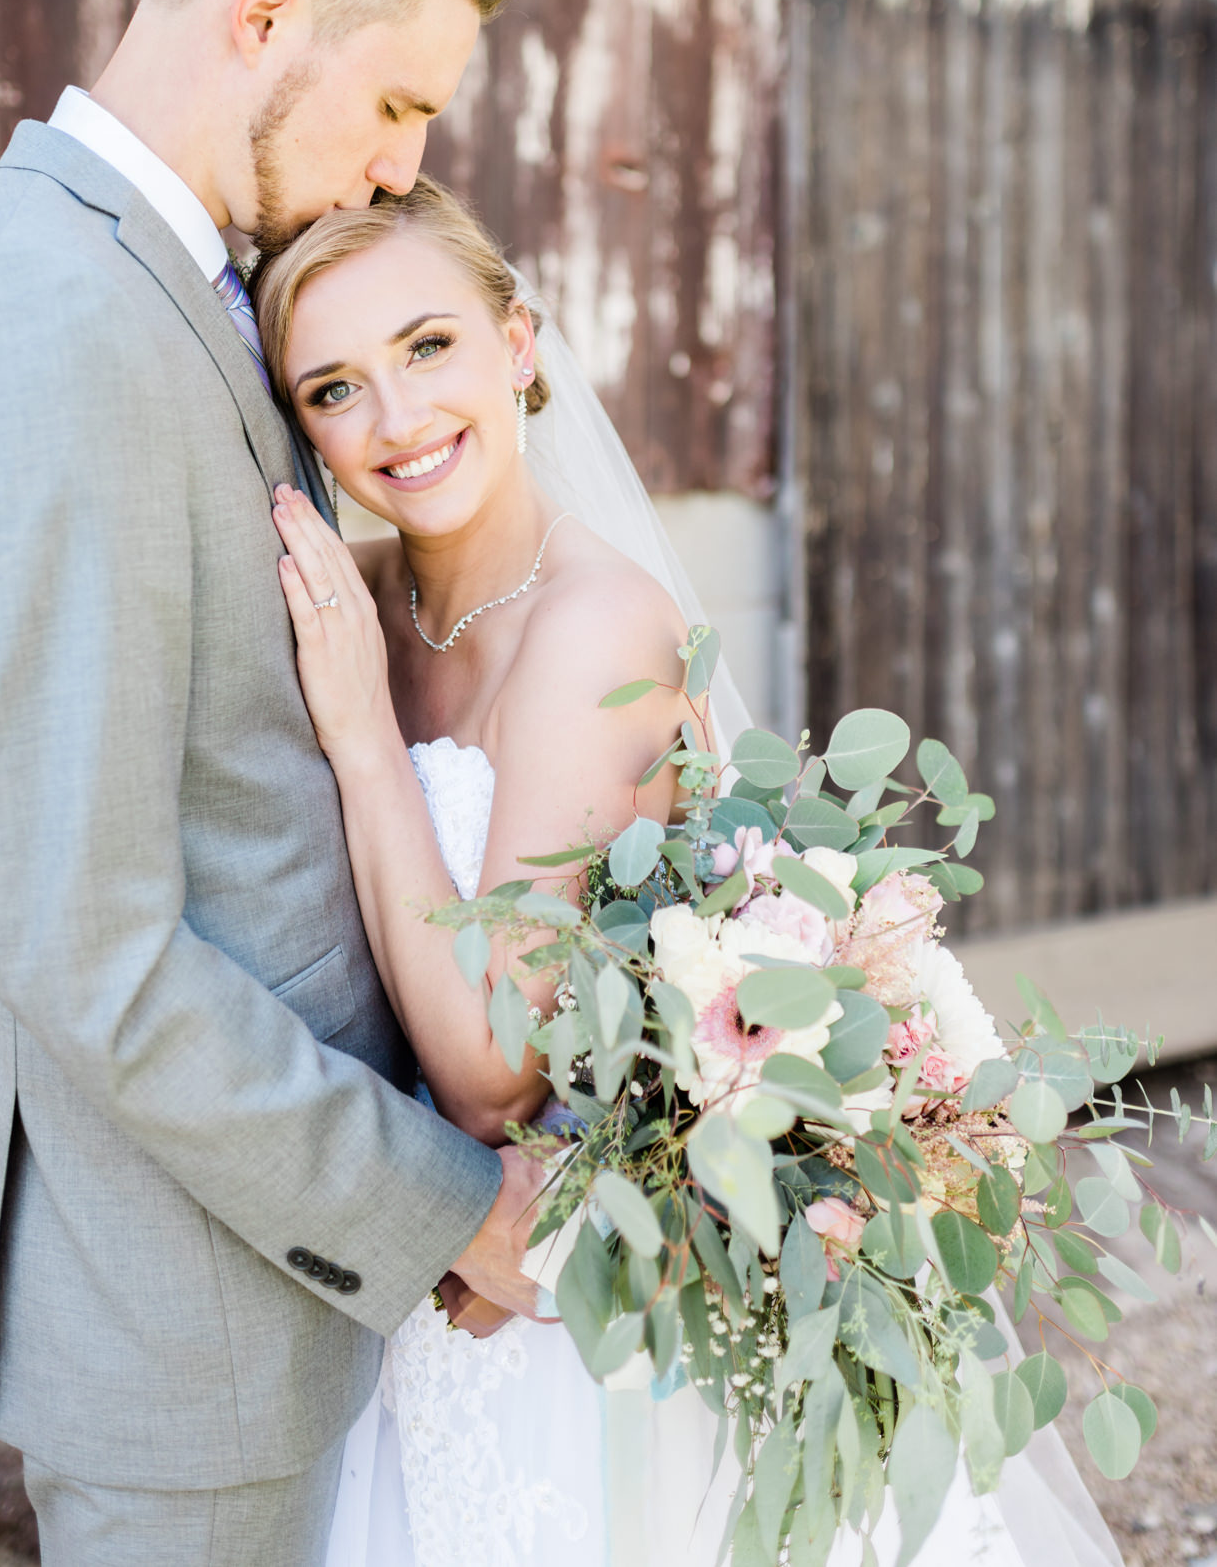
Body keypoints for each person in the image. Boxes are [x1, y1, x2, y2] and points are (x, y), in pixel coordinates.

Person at [0, 0, 550, 1567]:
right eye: (395, 104)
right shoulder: (40, 322)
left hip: (290, 1294)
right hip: (195, 1344)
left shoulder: (174, 285)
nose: (401, 170)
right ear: (260, 20)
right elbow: (91, 950)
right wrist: (447, 1204)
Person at [252, 175, 1126, 1567]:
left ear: (519, 343)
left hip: (591, 1295)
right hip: (441, 1260)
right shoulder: (355, 596)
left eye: (428, 347)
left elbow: (493, 1067)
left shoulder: (594, 627)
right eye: (334, 388)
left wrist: (363, 740)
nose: (398, 419)